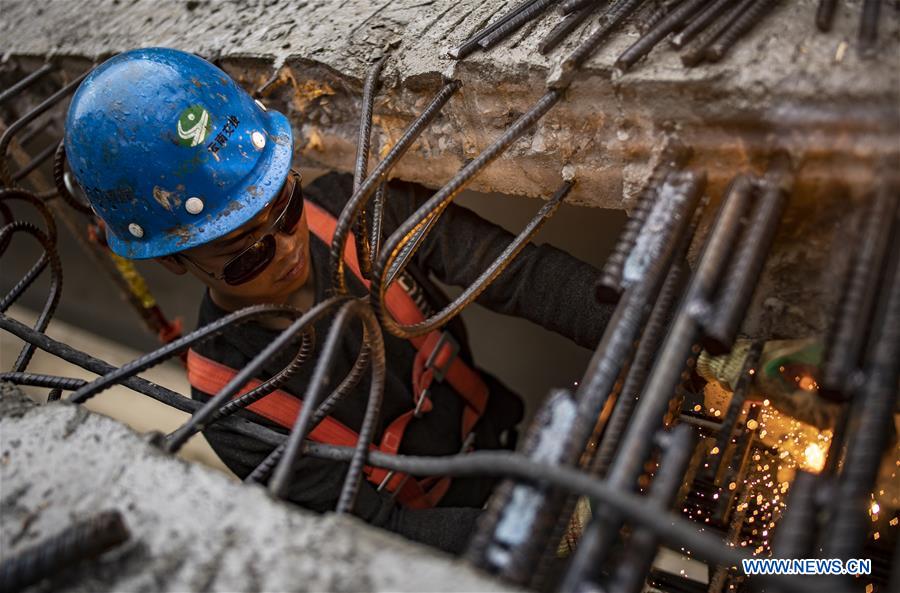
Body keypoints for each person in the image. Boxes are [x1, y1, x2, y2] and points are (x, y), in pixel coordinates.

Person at [65, 47, 614, 554]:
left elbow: (520, 274)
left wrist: (638, 325)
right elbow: (378, 533)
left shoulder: (361, 213)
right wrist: (543, 530)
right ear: (173, 260)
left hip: (501, 438)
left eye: (285, 209)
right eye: (247, 253)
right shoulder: (234, 407)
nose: (287, 250)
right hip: (438, 546)